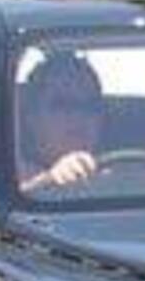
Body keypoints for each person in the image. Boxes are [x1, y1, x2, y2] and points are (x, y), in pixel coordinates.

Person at [17, 52, 108, 193]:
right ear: (32, 118)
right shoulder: (8, 176)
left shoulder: (126, 171)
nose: (78, 116)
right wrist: (50, 180)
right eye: (61, 105)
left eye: (89, 105)